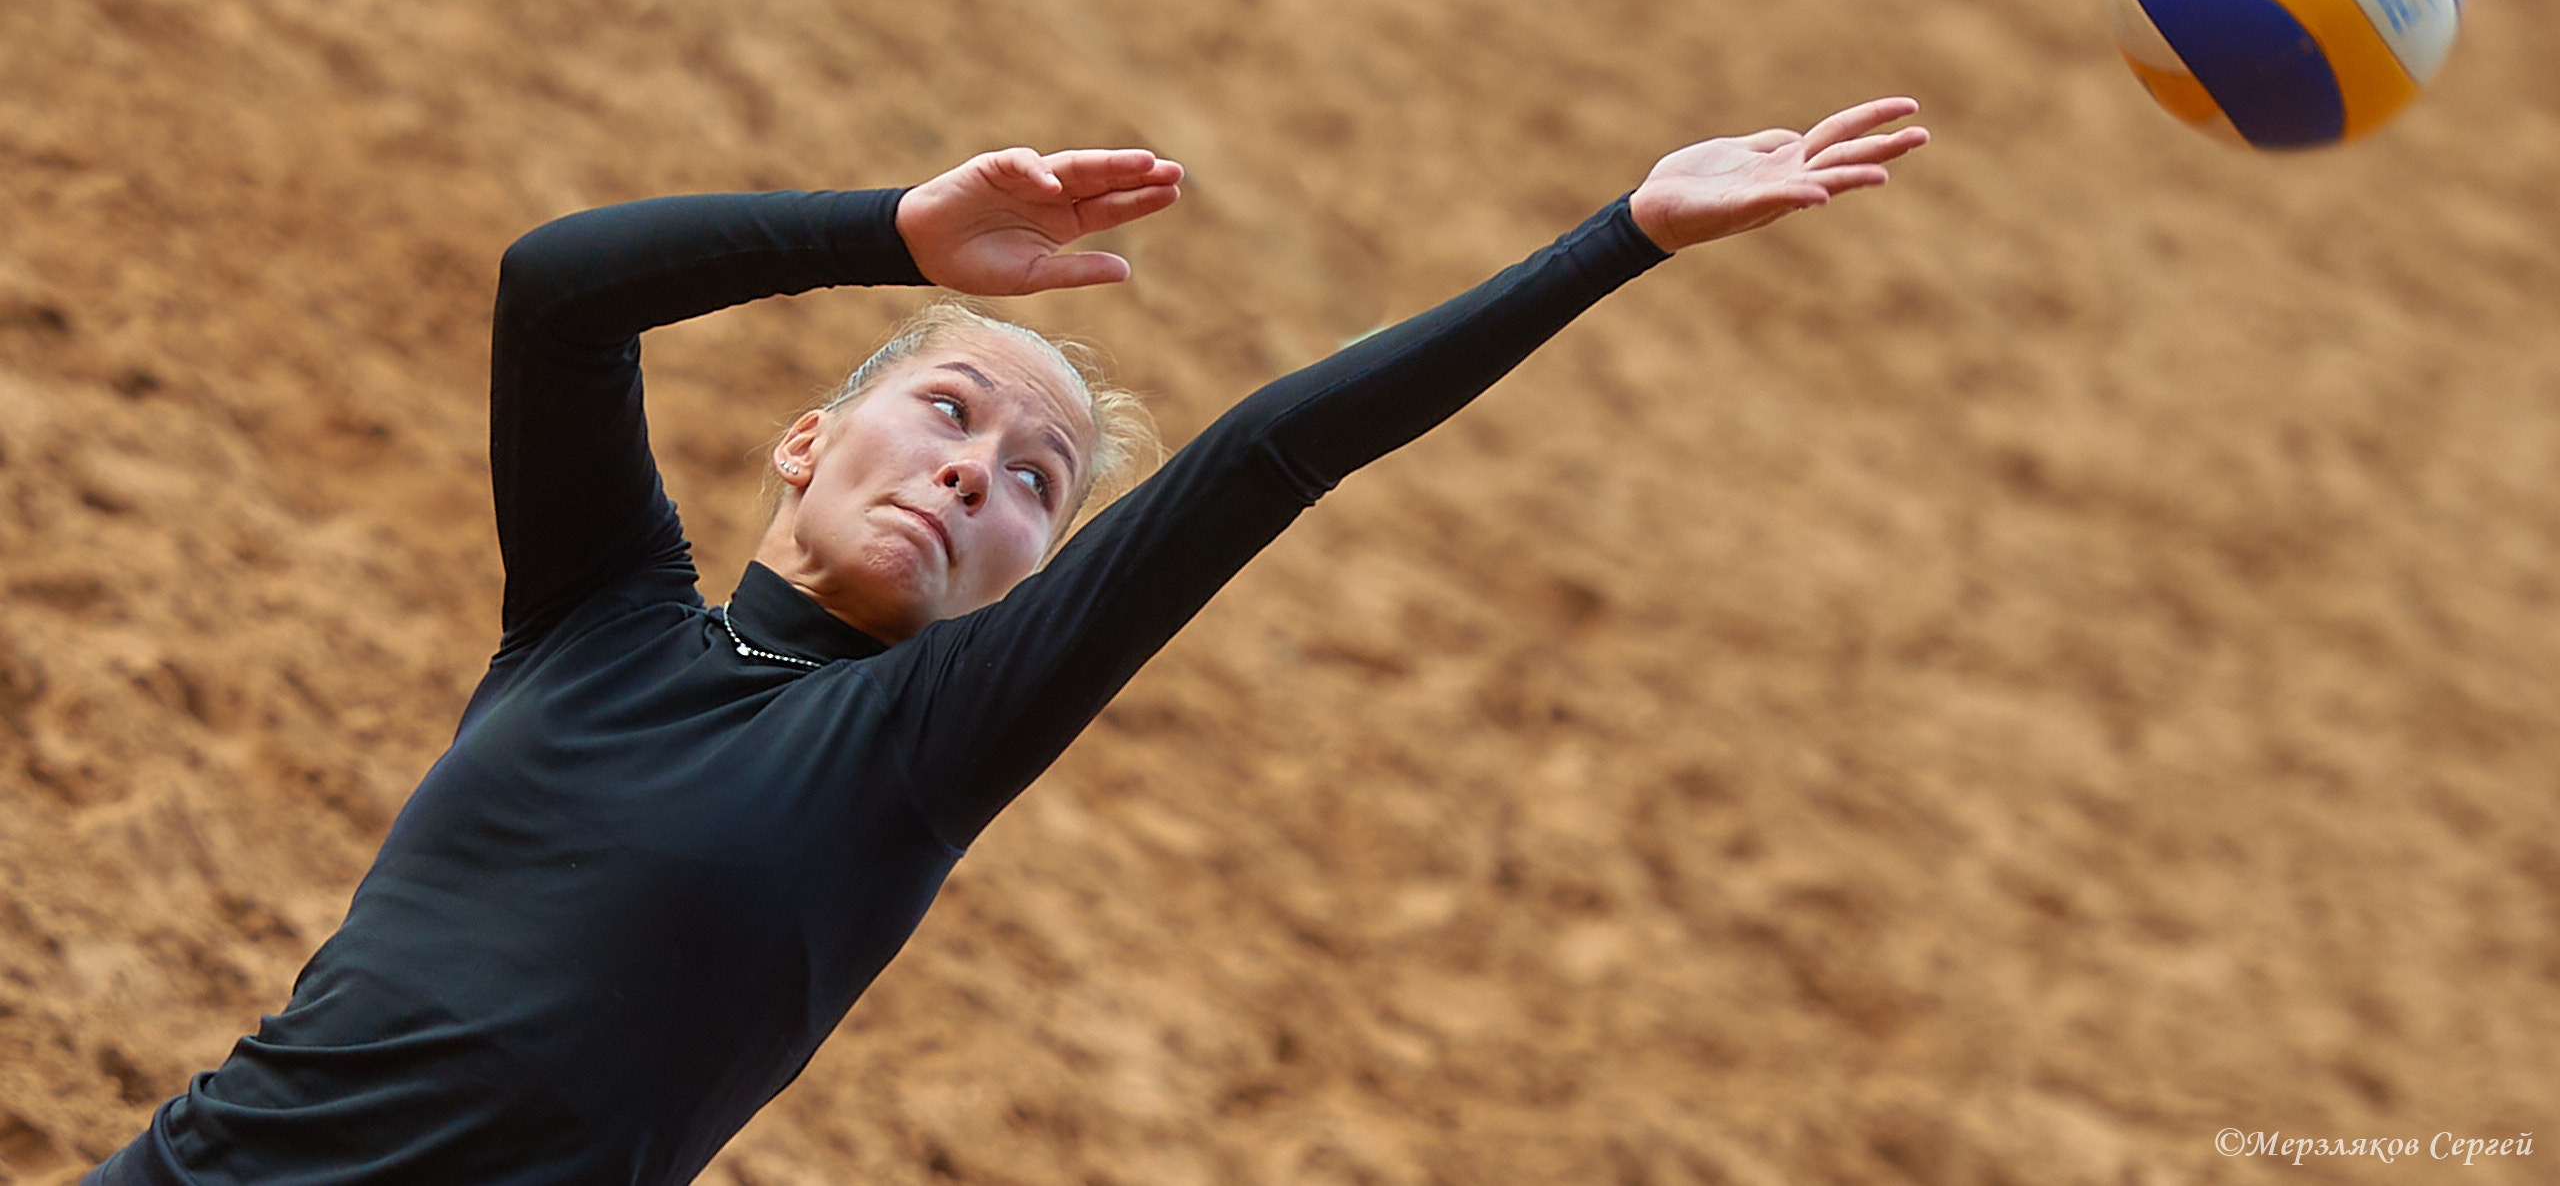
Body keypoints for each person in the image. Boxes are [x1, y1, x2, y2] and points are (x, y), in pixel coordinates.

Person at [86, 98, 1927, 1185]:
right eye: (949, 414)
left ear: (1025, 567)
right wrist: (895, 234)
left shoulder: (921, 748)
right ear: (809, 441)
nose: (978, 475)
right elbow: (555, 291)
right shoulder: (592, 614)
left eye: (1035, 482)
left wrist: (1619, 234)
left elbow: (1268, 453)